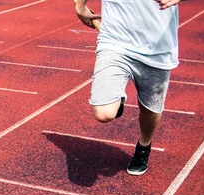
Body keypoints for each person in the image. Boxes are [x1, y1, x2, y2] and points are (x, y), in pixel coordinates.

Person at [75, 0, 180, 175]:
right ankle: (116, 96)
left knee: (150, 110)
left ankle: (144, 146)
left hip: (158, 50)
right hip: (115, 43)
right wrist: (80, 6)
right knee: (104, 112)